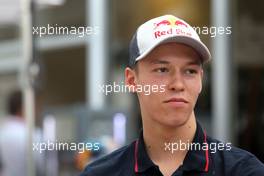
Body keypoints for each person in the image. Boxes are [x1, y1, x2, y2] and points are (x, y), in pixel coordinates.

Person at [80, 15, 264, 176]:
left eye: (190, 71)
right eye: (162, 70)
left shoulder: (244, 170)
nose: (177, 84)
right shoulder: (101, 173)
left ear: (200, 79)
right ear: (131, 80)